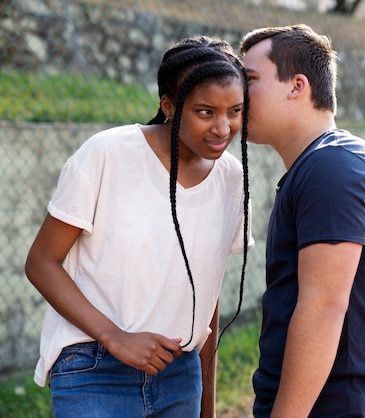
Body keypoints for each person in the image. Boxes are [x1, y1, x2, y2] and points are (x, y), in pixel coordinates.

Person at [24, 35, 253, 418]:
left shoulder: (232, 177)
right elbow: (41, 263)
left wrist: (206, 405)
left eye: (235, 111)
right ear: (168, 106)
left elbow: (207, 297)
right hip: (94, 368)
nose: (222, 127)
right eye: (205, 112)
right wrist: (115, 337)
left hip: (181, 373)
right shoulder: (107, 154)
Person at [239, 24, 365, 417]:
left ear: (297, 86)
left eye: (249, 80)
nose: (237, 94)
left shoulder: (331, 166)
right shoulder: (324, 162)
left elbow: (322, 308)